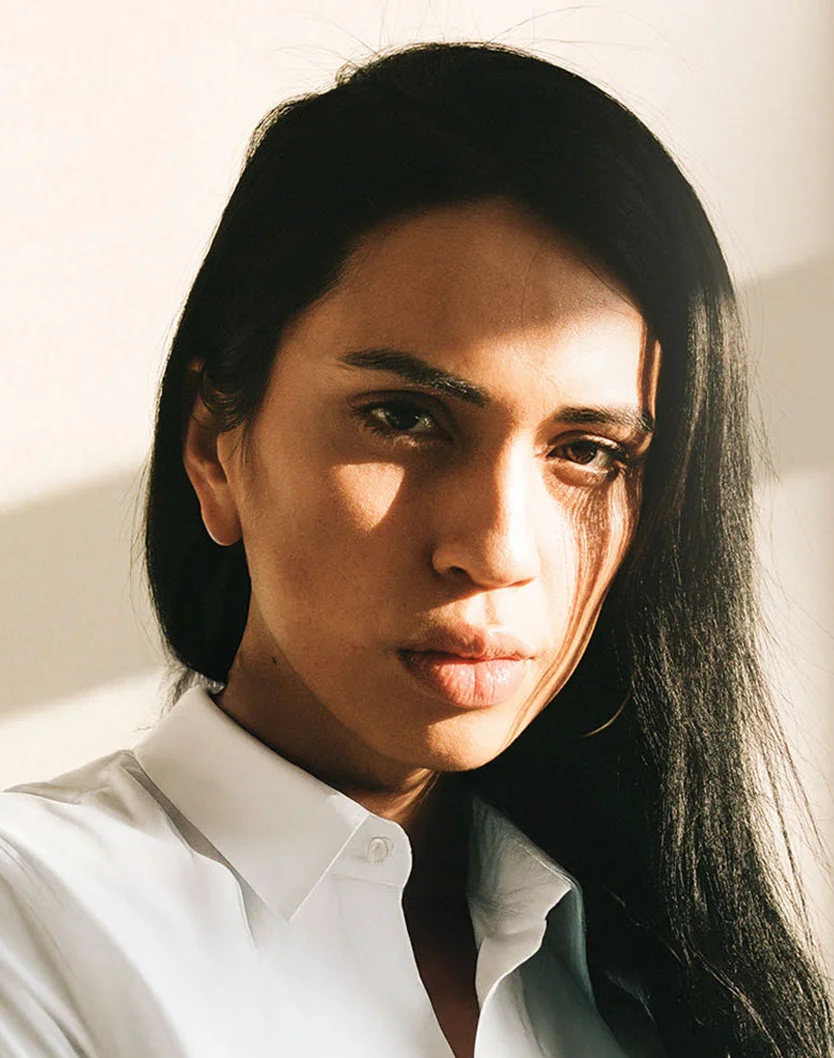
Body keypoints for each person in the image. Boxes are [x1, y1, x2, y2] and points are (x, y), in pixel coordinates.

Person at [0, 41, 830, 1058]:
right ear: (215, 449)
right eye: (401, 416)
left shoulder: (654, 976)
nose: (495, 546)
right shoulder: (34, 918)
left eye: (587, 450)